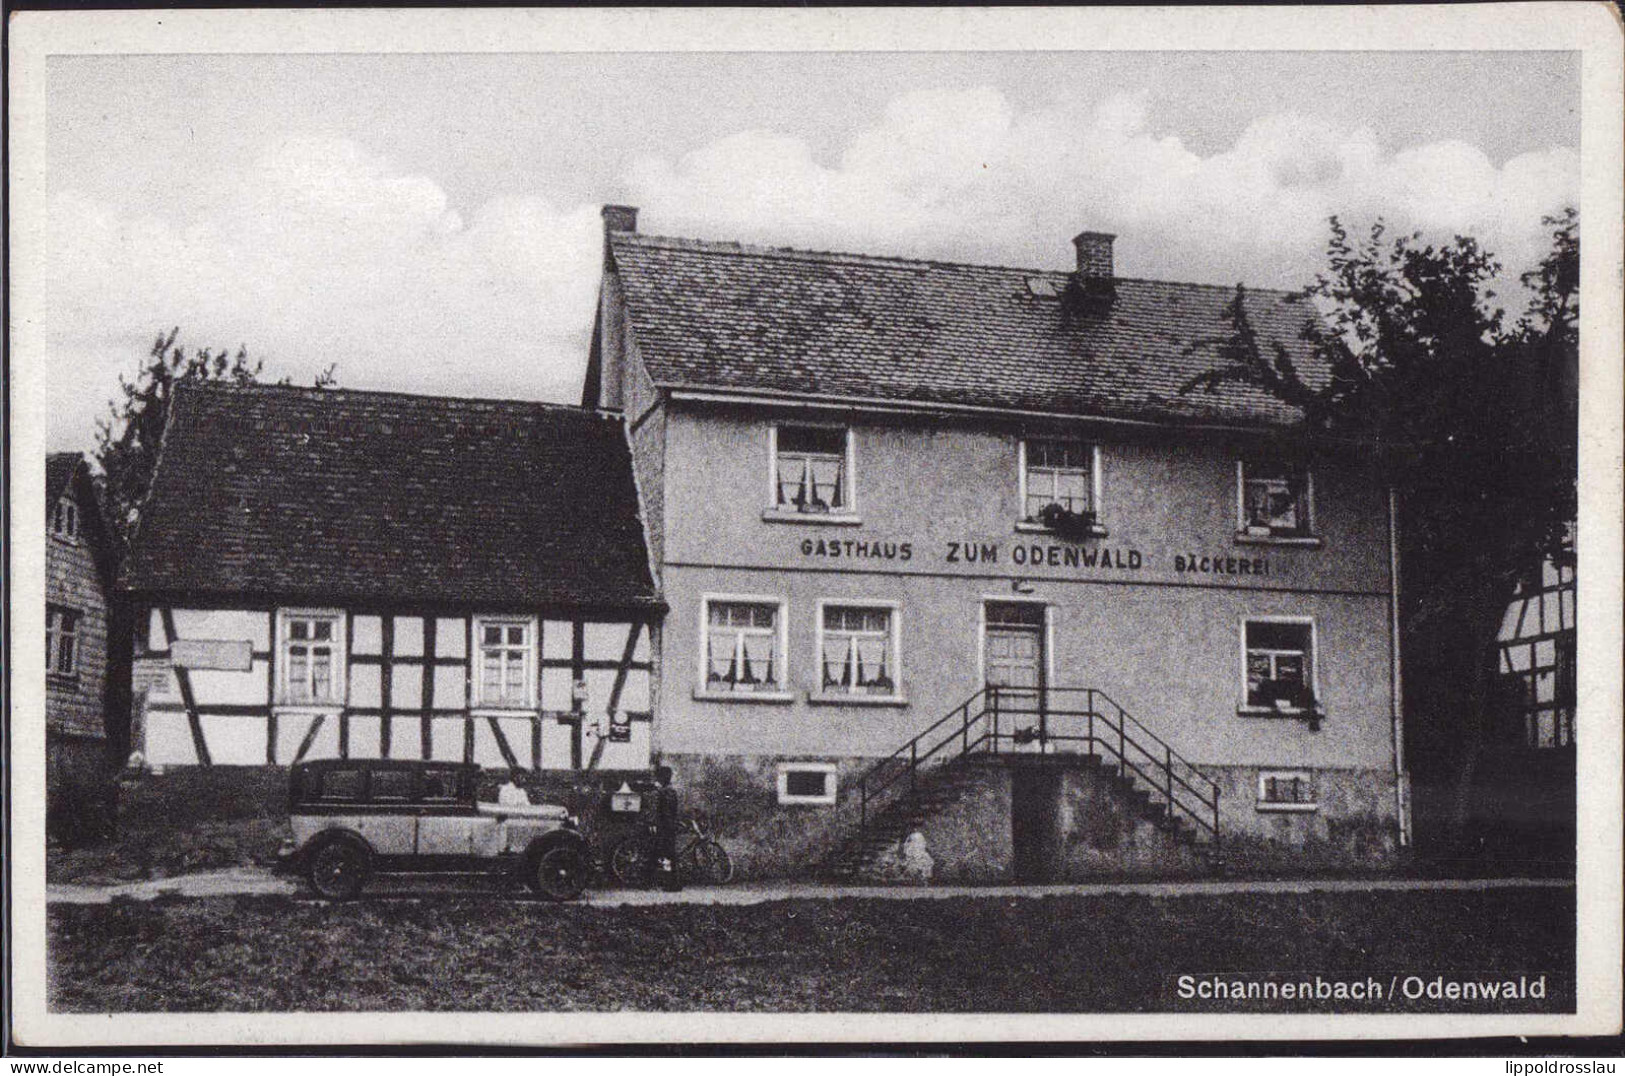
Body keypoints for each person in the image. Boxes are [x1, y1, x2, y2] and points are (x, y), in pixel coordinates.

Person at [653, 764, 682, 892]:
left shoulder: (665, 792)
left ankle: (672, 883)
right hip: (669, 826)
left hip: (666, 827)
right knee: (669, 855)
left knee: (667, 856)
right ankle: (673, 882)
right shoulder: (671, 791)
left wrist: (660, 825)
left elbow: (664, 812)